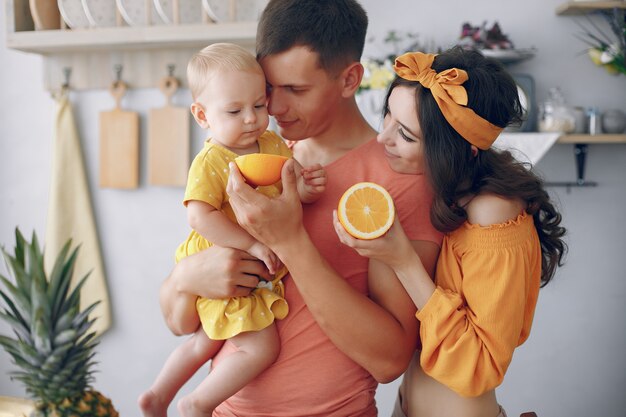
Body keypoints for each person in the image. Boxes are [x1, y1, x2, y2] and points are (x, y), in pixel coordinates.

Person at [159, 1, 443, 416]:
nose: (272, 110)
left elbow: (389, 361)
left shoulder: (396, 181)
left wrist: (289, 240)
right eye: (268, 89)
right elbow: (178, 322)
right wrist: (186, 278)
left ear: (349, 79)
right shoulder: (254, 156)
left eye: (295, 90)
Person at [332, 47, 568, 417]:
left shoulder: (493, 214)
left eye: (406, 135)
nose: (383, 139)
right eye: (387, 116)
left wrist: (402, 260)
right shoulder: (446, 191)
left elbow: (480, 366)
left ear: (458, 149)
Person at [139, 43, 326, 417]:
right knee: (261, 348)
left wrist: (303, 189)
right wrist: (252, 245)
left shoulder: (272, 143)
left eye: (259, 105)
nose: (251, 119)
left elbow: (285, 186)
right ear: (202, 115)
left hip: (243, 265)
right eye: (234, 111)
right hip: (225, 258)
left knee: (206, 339)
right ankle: (197, 403)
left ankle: (157, 396)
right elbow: (199, 216)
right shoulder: (211, 160)